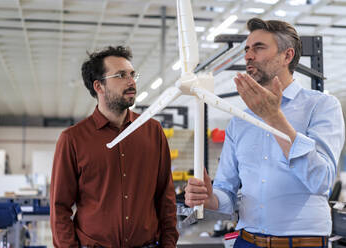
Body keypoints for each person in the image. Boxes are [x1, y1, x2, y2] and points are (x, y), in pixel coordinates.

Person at [185, 18, 345, 247]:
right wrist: (209, 198)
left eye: (259, 48)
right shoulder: (239, 121)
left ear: (287, 56)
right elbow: (226, 194)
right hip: (247, 240)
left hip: (302, 242)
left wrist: (274, 118)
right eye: (247, 49)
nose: (248, 56)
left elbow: (321, 181)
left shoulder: (321, 106)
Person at [50, 46, 178, 248]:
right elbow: (60, 208)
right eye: (121, 75)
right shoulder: (72, 139)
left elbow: (166, 198)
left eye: (132, 74)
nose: (131, 81)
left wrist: (169, 244)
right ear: (99, 86)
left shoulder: (152, 132)